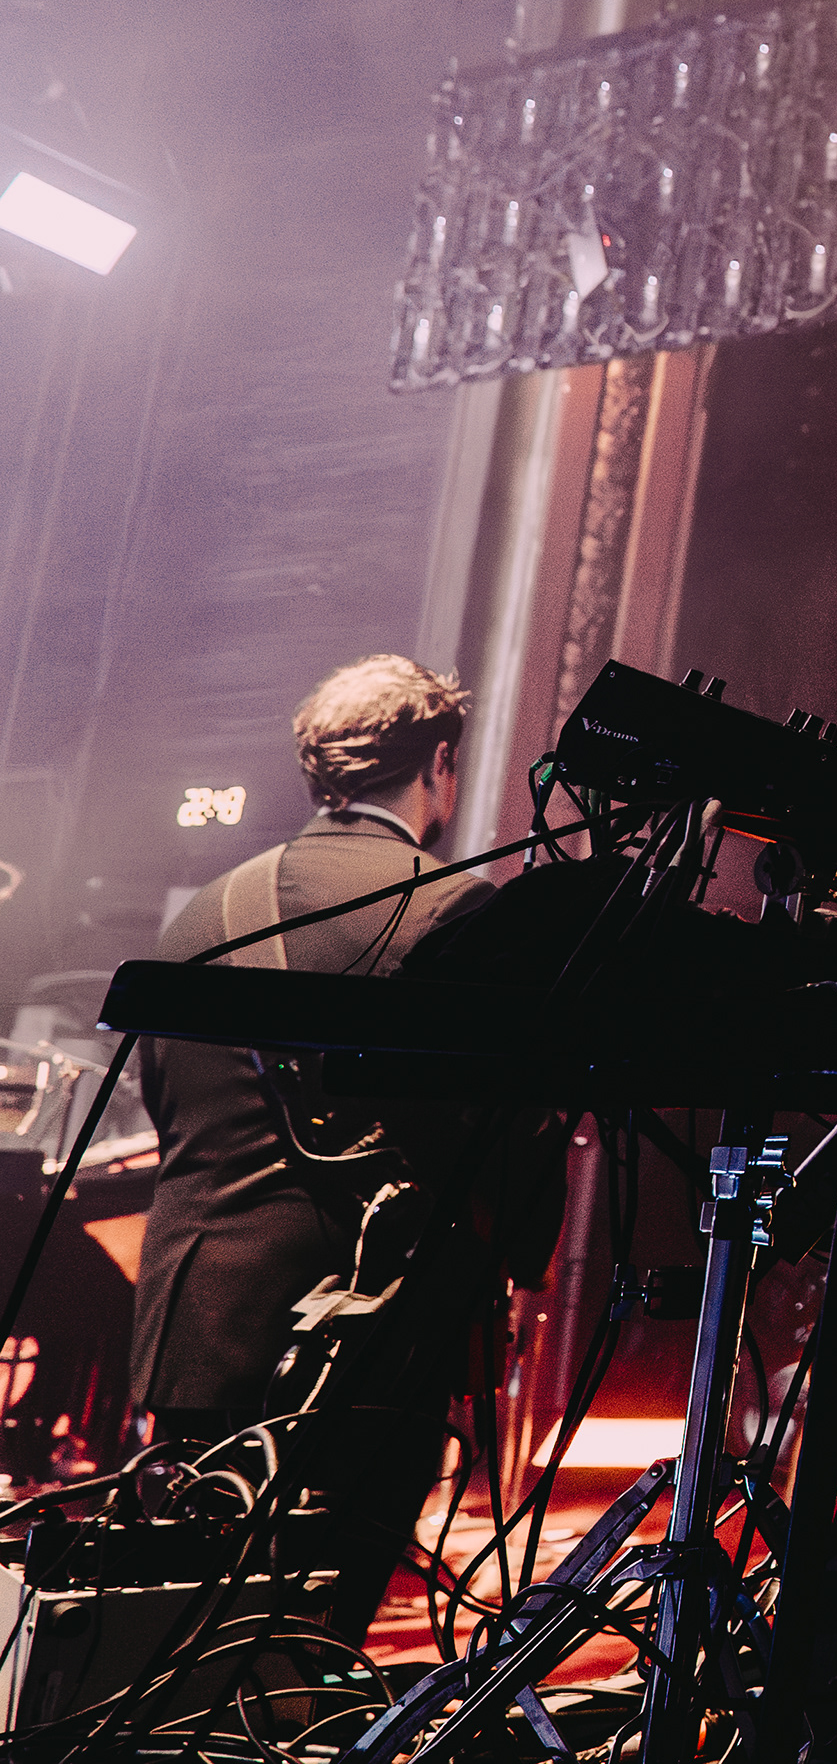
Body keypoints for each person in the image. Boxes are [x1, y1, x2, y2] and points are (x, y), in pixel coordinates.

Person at [130, 656, 562, 1645]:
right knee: (310, 1648)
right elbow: (510, 1133)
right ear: (440, 761)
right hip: (368, 1345)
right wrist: (521, 1247)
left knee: (174, 1646)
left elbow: (168, 1111)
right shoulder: (457, 914)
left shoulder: (202, 913)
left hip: (196, 1336)